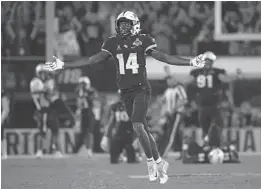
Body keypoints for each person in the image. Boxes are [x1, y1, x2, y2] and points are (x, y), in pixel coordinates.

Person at [45, 11, 206, 184]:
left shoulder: (144, 40)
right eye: (121, 24)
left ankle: (151, 162)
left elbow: (164, 57)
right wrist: (64, 65)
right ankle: (160, 162)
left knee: (137, 125)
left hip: (141, 89)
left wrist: (190, 62)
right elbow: (93, 60)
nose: (122, 27)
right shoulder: (113, 42)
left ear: (134, 24)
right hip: (125, 92)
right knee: (143, 128)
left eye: (126, 24)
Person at [188, 51, 228, 148]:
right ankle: (219, 146)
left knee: (206, 129)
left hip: (204, 106)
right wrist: (236, 76)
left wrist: (192, 101)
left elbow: (188, 83)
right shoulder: (216, 72)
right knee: (217, 127)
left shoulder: (196, 72)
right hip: (213, 105)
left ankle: (208, 145)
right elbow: (226, 80)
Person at [100, 90, 137, 164]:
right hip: (118, 135)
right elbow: (112, 122)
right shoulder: (115, 106)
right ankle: (122, 156)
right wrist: (106, 136)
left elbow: (137, 123)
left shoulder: (133, 106)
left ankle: (136, 155)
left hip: (129, 136)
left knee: (132, 160)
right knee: (113, 159)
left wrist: (137, 138)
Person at [159, 75, 188, 158]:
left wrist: (173, 109)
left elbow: (184, 100)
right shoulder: (167, 90)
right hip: (169, 114)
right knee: (171, 133)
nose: (168, 82)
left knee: (172, 132)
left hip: (177, 113)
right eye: (167, 80)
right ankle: (180, 151)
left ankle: (163, 153)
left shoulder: (179, 88)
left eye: (169, 80)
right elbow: (163, 101)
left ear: (174, 80)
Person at [73, 76, 97, 158]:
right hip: (82, 113)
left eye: (83, 84)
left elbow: (93, 97)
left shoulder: (91, 90)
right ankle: (78, 149)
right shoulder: (78, 91)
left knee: (89, 132)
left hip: (89, 112)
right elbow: (78, 100)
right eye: (81, 84)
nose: (82, 85)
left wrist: (86, 94)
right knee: (82, 133)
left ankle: (89, 150)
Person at [30, 64, 51, 158]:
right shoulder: (36, 82)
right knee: (41, 130)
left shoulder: (43, 82)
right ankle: (39, 150)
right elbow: (37, 94)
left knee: (46, 130)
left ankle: (46, 149)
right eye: (41, 73)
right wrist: (46, 91)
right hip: (40, 109)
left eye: (44, 73)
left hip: (45, 108)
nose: (43, 75)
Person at [1, 88, 10, 159]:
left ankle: (3, 152)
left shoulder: (3, 95)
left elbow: (6, 109)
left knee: (1, 135)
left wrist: (0, 120)